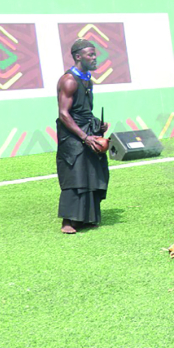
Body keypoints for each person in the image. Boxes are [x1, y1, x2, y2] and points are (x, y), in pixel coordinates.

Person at [56, 39, 110, 234]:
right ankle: (68, 222)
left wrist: (98, 127)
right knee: (75, 174)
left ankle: (87, 218)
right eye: (91, 55)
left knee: (94, 170)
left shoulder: (87, 78)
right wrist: (84, 137)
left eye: (95, 54)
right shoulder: (69, 80)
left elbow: (84, 111)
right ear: (78, 57)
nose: (95, 58)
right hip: (71, 133)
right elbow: (64, 114)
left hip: (86, 129)